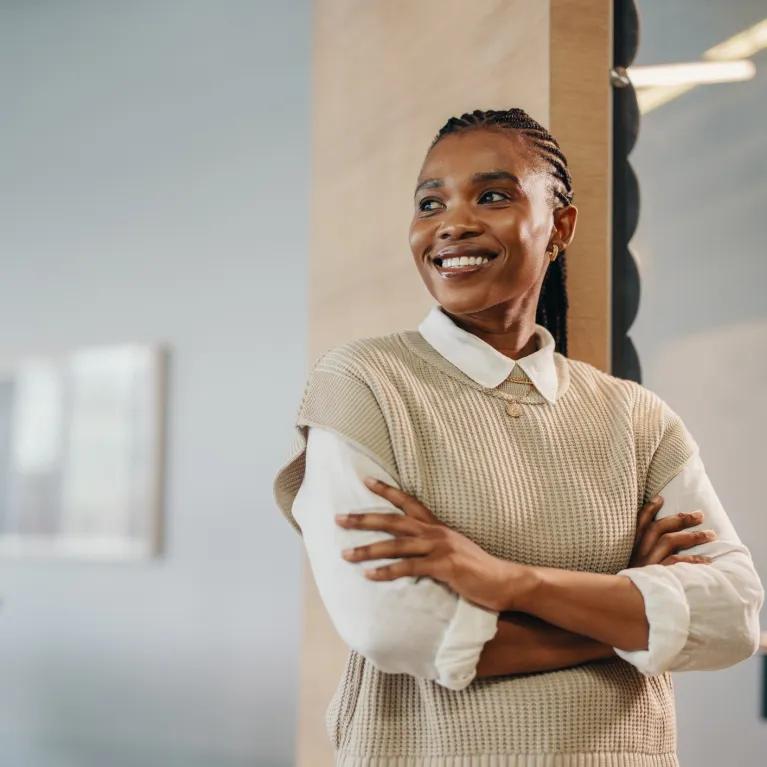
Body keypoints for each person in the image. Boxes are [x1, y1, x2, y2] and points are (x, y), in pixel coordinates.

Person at [272, 108, 764, 766]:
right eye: (429, 202)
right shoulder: (363, 384)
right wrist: (625, 612)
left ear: (559, 225)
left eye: (493, 195)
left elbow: (735, 618)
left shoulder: (636, 416)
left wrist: (512, 582)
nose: (452, 223)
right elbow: (391, 627)